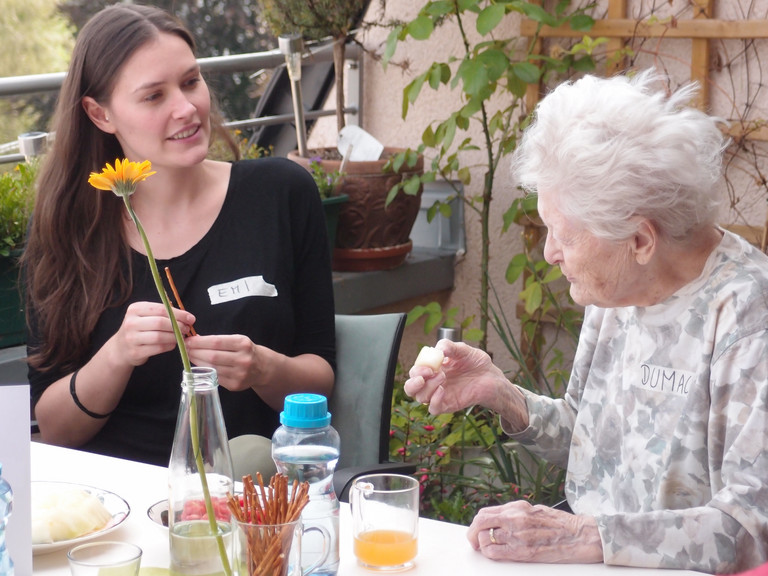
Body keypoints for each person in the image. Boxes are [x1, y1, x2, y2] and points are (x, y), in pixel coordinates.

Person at [405, 70, 768, 574]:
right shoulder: (615, 289)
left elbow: (751, 529)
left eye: (565, 236)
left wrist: (582, 534)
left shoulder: (748, 316)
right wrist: (500, 393)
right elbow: (589, 437)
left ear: (641, 240)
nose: (550, 253)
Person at [24, 4, 336, 468]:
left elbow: (322, 381)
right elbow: (51, 429)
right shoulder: (67, 228)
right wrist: (118, 355)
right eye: (154, 96)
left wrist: (263, 368)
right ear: (99, 113)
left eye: (191, 81)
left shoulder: (281, 193)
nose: (187, 108)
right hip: (115, 511)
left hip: (253, 497)